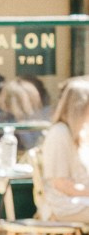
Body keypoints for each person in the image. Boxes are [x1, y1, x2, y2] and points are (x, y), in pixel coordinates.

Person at [37, 77, 89, 222]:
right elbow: (60, 184)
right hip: (66, 205)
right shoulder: (59, 134)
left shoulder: (81, 132)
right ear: (81, 107)